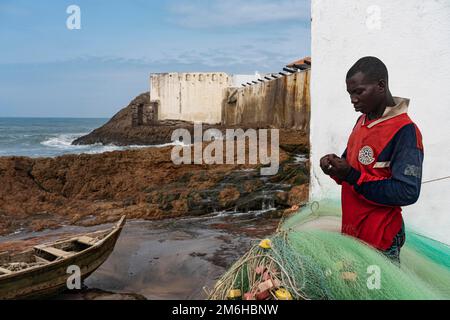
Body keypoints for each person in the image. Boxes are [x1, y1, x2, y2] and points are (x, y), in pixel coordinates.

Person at [320, 57, 424, 264]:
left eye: (359, 92)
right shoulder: (362, 121)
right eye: (350, 94)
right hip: (354, 232)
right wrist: (334, 168)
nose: (353, 99)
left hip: (381, 237)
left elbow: (407, 191)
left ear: (381, 85)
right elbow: (351, 166)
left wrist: (351, 175)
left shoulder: (405, 131)